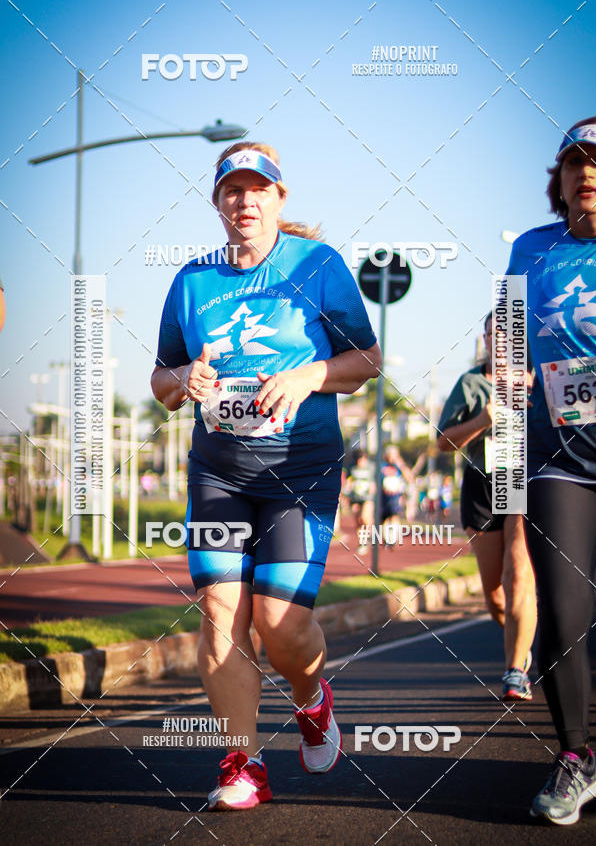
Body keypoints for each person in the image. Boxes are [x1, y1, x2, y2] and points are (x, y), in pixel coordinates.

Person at [151, 141, 382, 810]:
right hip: (218, 473)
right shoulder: (192, 281)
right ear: (218, 201)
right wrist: (181, 378)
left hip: (298, 474)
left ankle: (311, 699)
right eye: (232, 190)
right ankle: (243, 764)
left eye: (258, 189)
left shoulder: (318, 267)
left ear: (280, 198)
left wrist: (311, 374)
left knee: (280, 624)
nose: (245, 200)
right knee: (222, 614)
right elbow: (161, 380)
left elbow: (366, 360)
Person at [506, 118, 596, 825]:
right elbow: (507, 338)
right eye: (575, 163)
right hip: (558, 456)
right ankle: (575, 757)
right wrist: (508, 369)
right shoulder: (529, 249)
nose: (587, 173)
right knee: (564, 615)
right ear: (559, 179)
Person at [437, 312, 537, 702]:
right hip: (482, 486)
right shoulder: (472, 383)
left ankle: (514, 671)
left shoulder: (537, 378)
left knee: (519, 575)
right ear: (484, 339)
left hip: (523, 481)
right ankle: (521, 643)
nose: (500, 344)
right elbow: (443, 442)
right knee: (495, 593)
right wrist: (482, 418)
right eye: (493, 336)